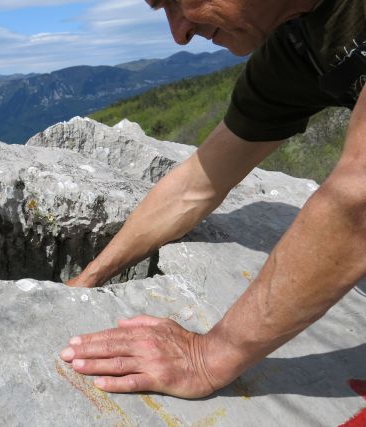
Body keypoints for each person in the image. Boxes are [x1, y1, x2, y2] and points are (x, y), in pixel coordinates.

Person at [59, 0, 366, 398]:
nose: (179, 33)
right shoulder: (295, 47)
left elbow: (358, 198)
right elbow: (196, 186)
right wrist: (90, 278)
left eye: (175, 1)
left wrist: (208, 357)